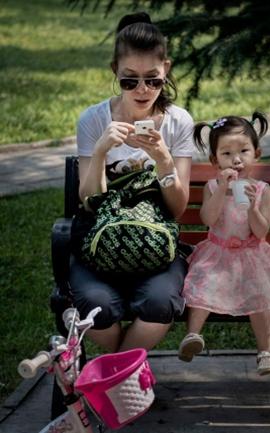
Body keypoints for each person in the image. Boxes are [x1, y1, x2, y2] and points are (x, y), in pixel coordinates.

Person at [71, 12, 195, 353]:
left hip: (157, 247)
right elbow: (88, 202)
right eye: (130, 81)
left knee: (160, 303)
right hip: (99, 243)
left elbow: (177, 208)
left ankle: (114, 381)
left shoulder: (177, 122)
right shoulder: (94, 119)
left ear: (166, 70)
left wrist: (164, 159)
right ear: (115, 72)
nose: (142, 90)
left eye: (153, 80)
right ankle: (126, 381)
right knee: (97, 309)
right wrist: (100, 152)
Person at [178, 112, 270, 375]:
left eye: (243, 151)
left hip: (251, 255)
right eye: (226, 154)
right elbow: (209, 219)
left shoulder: (262, 189)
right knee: (202, 284)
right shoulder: (212, 186)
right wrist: (221, 191)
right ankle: (192, 336)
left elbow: (261, 232)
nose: (236, 160)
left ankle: (265, 352)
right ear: (215, 159)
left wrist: (251, 208)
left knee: (261, 294)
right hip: (217, 253)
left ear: (256, 153)